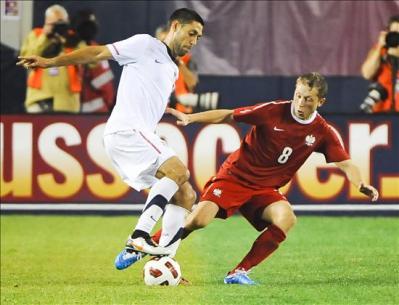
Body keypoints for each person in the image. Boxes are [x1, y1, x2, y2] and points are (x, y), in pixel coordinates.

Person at [150, 72, 378, 285]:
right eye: (298, 96)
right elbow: (230, 114)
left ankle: (239, 272)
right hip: (235, 177)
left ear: (321, 102)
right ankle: (150, 245)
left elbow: (345, 163)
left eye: (308, 99)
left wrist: (360, 183)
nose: (300, 103)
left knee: (286, 218)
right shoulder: (273, 111)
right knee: (198, 220)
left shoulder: (322, 132)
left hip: (264, 189)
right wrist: (191, 118)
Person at [18, 8, 204, 266]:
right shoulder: (145, 44)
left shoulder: (172, 68)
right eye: (191, 33)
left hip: (138, 134)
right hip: (127, 130)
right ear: (174, 27)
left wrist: (169, 109)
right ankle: (139, 236)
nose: (194, 40)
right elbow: (96, 52)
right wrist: (51, 62)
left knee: (186, 195)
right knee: (178, 171)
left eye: (198, 37)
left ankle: (164, 263)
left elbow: (146, 96)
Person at [20, 4, 84, 113]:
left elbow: (92, 61)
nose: (58, 26)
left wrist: (70, 40)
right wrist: (45, 36)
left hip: (68, 102)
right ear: (47, 21)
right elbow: (25, 60)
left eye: (61, 22)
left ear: (67, 21)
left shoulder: (74, 38)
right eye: (55, 23)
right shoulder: (36, 34)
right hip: (39, 98)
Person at [156, 24, 219, 114]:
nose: (166, 45)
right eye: (162, 42)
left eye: (168, 41)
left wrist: (179, 63)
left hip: (182, 112)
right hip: (157, 112)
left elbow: (193, 84)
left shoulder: (186, 60)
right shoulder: (151, 61)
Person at [71, 9, 115, 113]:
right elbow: (107, 90)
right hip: (85, 112)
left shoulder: (98, 51)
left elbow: (106, 86)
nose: (88, 31)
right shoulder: (98, 51)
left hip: (94, 112)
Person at [360, 15, 399, 113]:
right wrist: (380, 47)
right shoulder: (380, 51)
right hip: (381, 115)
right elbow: (367, 73)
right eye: (394, 33)